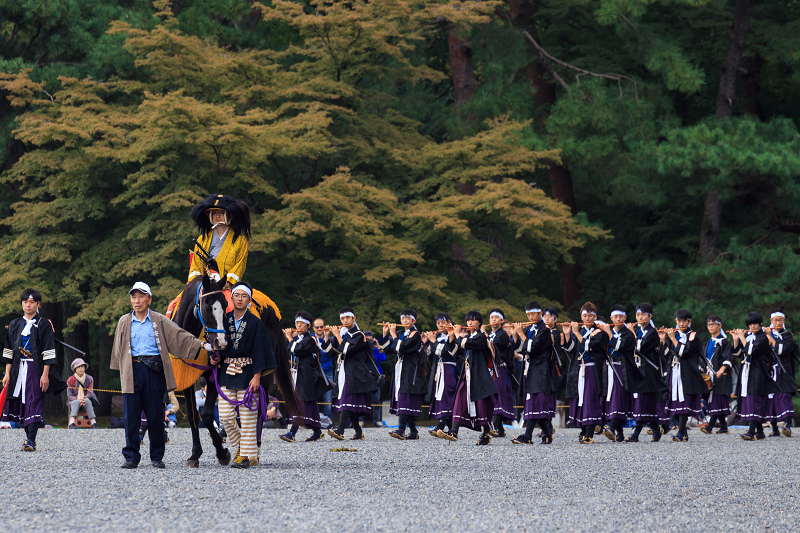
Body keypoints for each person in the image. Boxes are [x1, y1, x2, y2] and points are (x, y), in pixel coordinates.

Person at [110, 281, 208, 469]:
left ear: (149, 299)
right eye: (133, 297)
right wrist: (120, 368)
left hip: (154, 370)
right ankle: (131, 456)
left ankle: (157, 456)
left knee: (155, 414)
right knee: (130, 415)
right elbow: (118, 346)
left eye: (141, 296)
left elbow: (178, 335)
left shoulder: (158, 319)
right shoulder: (124, 320)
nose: (137, 301)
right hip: (132, 369)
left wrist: (201, 345)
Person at [216, 282, 275, 468]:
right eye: (237, 295)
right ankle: (242, 446)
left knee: (248, 415)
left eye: (244, 296)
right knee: (225, 415)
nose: (240, 299)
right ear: (231, 298)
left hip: (248, 371)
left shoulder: (256, 323)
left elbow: (260, 350)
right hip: (227, 371)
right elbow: (216, 343)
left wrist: (257, 375)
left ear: (249, 300)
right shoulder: (223, 320)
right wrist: (214, 356)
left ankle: (247, 458)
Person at [2, 289, 66, 451]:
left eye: (31, 302)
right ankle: (30, 434)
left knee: (34, 401)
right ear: (22, 304)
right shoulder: (15, 324)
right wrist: (7, 373)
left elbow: (48, 350)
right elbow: (9, 350)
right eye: (25, 302)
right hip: (17, 369)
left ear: (38, 304)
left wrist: (45, 375)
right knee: (21, 404)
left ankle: (30, 440)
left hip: (35, 369)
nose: (28, 305)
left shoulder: (44, 323)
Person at [439, 311, 497, 445]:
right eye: (468, 320)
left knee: (481, 405)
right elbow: (454, 352)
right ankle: (454, 431)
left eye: (473, 320)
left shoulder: (481, 337)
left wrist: (458, 334)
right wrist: (451, 335)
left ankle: (486, 432)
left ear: (479, 323)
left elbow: (466, 343)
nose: (470, 323)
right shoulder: (467, 338)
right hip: (467, 375)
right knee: (459, 398)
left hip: (479, 376)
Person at [327, 307, 378, 441]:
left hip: (355, 373)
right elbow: (329, 352)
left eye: (347, 318)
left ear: (353, 318)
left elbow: (346, 350)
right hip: (342, 371)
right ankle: (358, 432)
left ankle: (340, 431)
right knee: (349, 404)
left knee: (347, 401)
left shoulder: (359, 335)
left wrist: (337, 335)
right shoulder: (342, 334)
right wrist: (327, 335)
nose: (345, 321)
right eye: (342, 318)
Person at [280, 311, 331, 442]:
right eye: (297, 322)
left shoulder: (310, 339)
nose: (298, 325)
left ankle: (292, 433)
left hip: (308, 376)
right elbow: (288, 351)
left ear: (308, 325)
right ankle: (318, 431)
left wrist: (290, 339)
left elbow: (298, 350)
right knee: (308, 403)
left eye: (301, 323)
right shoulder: (300, 339)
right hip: (300, 375)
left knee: (301, 402)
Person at [510, 302, 556, 444]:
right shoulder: (529, 328)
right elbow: (517, 349)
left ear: (540, 313)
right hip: (529, 370)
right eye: (528, 314)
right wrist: (515, 335)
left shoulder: (545, 330)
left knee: (535, 402)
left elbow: (534, 347)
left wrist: (521, 334)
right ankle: (547, 434)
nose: (530, 317)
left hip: (540, 370)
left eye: (533, 314)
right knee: (532, 403)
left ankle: (527, 436)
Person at [659, 308, 706, 442]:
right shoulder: (673, 335)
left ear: (689, 321)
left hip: (687, 373)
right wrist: (663, 340)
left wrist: (673, 338)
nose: (681, 323)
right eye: (679, 320)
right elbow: (666, 355)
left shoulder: (693, 336)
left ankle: (681, 432)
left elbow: (684, 352)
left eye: (684, 320)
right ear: (675, 321)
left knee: (684, 401)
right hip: (674, 371)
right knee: (676, 401)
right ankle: (683, 432)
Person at [732, 312, 781, 440]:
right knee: (749, 399)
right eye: (750, 324)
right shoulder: (747, 336)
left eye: (755, 323)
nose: (752, 326)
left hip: (758, 372)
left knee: (755, 399)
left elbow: (751, 351)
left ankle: (751, 431)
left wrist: (742, 337)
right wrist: (736, 339)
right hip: (747, 372)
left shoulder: (763, 338)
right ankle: (760, 432)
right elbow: (738, 354)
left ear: (761, 324)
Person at [564, 302, 608, 444]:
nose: (587, 319)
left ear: (595, 317)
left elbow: (590, 347)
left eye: (590, 316)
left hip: (592, 369)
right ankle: (583, 431)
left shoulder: (599, 332)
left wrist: (576, 332)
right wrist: (567, 334)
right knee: (579, 399)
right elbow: (571, 349)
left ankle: (589, 433)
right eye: (584, 316)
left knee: (590, 399)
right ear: (581, 317)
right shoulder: (581, 331)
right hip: (579, 369)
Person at [187, 194, 250, 289]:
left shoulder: (240, 241)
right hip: (203, 285)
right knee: (175, 304)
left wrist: (226, 283)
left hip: (226, 286)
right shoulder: (202, 239)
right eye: (214, 213)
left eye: (221, 213)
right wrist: (197, 285)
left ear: (230, 216)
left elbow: (239, 266)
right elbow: (196, 266)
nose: (217, 216)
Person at [624, 303, 666, 442]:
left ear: (650, 316)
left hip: (648, 371)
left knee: (644, 400)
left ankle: (636, 433)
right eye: (637, 314)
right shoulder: (639, 330)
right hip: (638, 369)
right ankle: (656, 430)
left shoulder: (652, 332)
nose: (639, 317)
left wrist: (632, 334)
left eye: (642, 314)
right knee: (645, 402)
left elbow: (639, 347)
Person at [381, 309, 425, 440]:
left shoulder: (415, 334)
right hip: (399, 369)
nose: (404, 321)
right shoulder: (400, 333)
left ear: (413, 321)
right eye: (402, 318)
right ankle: (413, 431)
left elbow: (401, 347)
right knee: (403, 399)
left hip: (410, 370)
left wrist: (393, 334)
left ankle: (400, 430)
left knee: (405, 398)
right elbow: (386, 349)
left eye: (407, 318)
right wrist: (385, 334)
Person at [600, 305, 635, 442]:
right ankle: (619, 433)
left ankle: (612, 427)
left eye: (621, 316)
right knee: (611, 398)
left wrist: (609, 333)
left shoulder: (628, 334)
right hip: (608, 367)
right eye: (615, 317)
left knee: (618, 396)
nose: (618, 319)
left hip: (622, 368)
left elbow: (619, 345)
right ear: (611, 318)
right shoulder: (607, 331)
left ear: (625, 318)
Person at [699, 315, 734, 435]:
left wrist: (722, 369)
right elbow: (703, 359)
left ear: (720, 325)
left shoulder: (725, 342)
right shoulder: (708, 342)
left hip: (721, 375)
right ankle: (724, 427)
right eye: (709, 324)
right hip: (709, 375)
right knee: (713, 400)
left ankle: (709, 427)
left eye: (713, 324)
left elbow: (729, 357)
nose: (711, 327)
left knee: (717, 399)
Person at [425, 313, 458, 437]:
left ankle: (441, 425)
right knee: (439, 395)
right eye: (438, 323)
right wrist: (426, 342)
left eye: (443, 322)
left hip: (450, 368)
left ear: (449, 322)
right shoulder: (437, 336)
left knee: (446, 394)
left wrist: (433, 341)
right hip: (438, 369)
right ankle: (450, 428)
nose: (440, 325)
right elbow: (428, 355)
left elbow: (447, 352)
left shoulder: (453, 335)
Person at [766, 308, 798, 437]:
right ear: (770, 321)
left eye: (780, 320)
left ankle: (788, 425)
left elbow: (782, 350)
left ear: (784, 320)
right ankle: (774, 428)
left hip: (784, 371)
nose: (777, 322)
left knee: (785, 397)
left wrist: (769, 336)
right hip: (769, 371)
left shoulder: (787, 336)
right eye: (775, 320)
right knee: (770, 399)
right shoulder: (764, 334)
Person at [487, 308, 515, 438]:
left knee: (498, 395)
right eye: (491, 317)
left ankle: (494, 425)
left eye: (496, 317)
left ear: (502, 320)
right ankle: (499, 428)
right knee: (491, 396)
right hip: (490, 369)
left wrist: (482, 337)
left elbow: (494, 345)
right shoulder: (489, 334)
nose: (493, 319)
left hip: (499, 368)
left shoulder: (502, 334)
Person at [313, 318, 336, 428]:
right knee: (313, 398)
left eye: (321, 326)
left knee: (328, 400)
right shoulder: (311, 339)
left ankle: (329, 423)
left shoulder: (330, 339)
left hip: (327, 372)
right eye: (317, 327)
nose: (319, 329)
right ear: (313, 328)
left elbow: (330, 354)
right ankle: (313, 423)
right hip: (314, 373)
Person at [66, 358, 97, 429]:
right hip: (74, 401)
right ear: (75, 369)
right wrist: (78, 399)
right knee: (76, 401)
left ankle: (93, 423)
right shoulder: (70, 380)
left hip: (86, 400)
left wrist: (83, 399)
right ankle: (72, 422)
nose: (81, 368)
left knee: (87, 401)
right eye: (78, 367)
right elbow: (70, 396)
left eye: (82, 366)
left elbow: (90, 393)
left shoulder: (89, 378)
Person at [364, 330, 387, 428]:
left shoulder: (375, 350)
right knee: (363, 399)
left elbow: (383, 359)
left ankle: (377, 420)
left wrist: (378, 346)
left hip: (375, 376)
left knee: (376, 400)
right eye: (367, 340)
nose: (370, 342)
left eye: (371, 340)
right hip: (364, 376)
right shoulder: (362, 350)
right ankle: (361, 420)